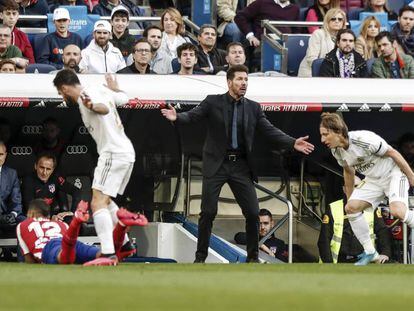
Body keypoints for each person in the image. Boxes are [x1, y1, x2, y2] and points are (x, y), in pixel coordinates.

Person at [161, 65, 314, 263]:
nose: (244, 83)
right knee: (208, 212)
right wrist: (177, 117)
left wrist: (293, 142)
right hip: (217, 164)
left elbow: (270, 130)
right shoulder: (212, 101)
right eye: (240, 79)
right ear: (229, 82)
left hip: (240, 165)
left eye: (246, 80)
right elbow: (193, 115)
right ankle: (200, 258)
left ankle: (252, 258)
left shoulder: (253, 107)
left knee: (252, 212)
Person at [52, 70, 136, 265]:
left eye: (60, 92)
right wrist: (115, 89)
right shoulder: (101, 89)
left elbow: (104, 109)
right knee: (105, 200)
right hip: (125, 152)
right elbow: (123, 99)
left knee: (97, 202)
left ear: (64, 87)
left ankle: (107, 253)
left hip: (113, 153)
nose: (62, 97)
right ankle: (124, 245)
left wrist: (93, 106)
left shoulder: (85, 96)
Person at [319, 112, 414, 265]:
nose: (322, 139)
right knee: (350, 208)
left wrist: (411, 176)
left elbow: (393, 153)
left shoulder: (363, 140)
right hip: (373, 181)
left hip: (393, 174)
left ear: (337, 131)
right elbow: (348, 172)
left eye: (325, 134)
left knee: (397, 211)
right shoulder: (336, 150)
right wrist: (350, 200)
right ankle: (370, 251)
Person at [17, 199, 147, 265]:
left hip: (50, 248)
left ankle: (76, 222)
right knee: (104, 256)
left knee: (65, 259)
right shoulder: (60, 223)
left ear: (31, 213)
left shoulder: (23, 224)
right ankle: (121, 226)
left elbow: (29, 259)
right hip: (69, 242)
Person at [298, 8, 347, 77]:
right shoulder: (318, 34)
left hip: (334, 74)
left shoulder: (345, 37)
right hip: (312, 73)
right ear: (327, 21)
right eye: (333, 19)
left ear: (343, 23)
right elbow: (311, 59)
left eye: (340, 19)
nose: (337, 21)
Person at [235, 0, 300, 49]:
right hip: (263, 44)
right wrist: (250, 36)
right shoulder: (262, 3)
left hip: (286, 45)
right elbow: (240, 16)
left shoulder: (295, 9)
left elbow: (297, 31)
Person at [0, 141, 25, 238]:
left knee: (25, 223)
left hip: (7, 216)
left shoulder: (11, 173)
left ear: (5, 155)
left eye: (1, 154)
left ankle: (22, 253)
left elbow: (16, 201)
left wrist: (13, 214)